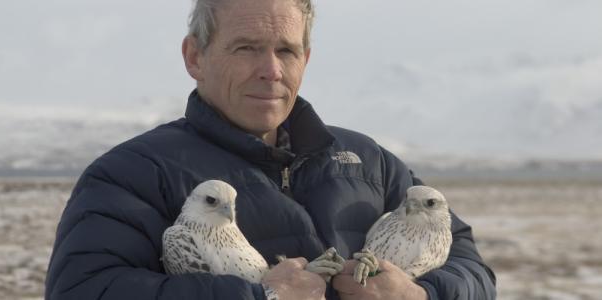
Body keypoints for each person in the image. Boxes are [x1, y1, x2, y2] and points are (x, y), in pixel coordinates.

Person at [45, 0, 497, 299]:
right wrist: (260, 296)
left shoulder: (369, 161)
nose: (271, 70)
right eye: (246, 48)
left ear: (307, 58)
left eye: (286, 49)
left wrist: (422, 295)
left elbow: (471, 267)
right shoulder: (133, 172)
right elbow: (83, 290)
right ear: (195, 57)